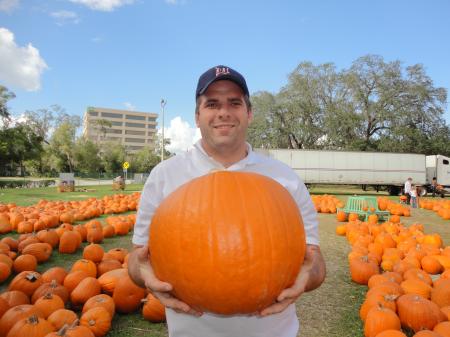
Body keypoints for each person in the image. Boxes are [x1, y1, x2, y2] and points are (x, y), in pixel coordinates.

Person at [128, 65, 326, 337]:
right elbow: (137, 260)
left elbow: (315, 262)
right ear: (197, 116)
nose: (224, 112)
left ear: (249, 113)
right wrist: (144, 276)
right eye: (212, 104)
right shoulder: (165, 176)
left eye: (234, 102)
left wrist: (308, 277)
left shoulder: (285, 179)